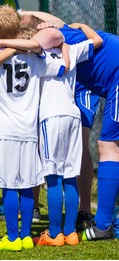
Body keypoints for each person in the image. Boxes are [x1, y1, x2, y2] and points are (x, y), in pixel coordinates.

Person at [0, 5, 67, 251]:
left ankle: (12, 238)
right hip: (28, 130)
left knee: (9, 185)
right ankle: (24, 236)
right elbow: (61, 67)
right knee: (25, 184)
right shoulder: (35, 56)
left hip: (2, 130)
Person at [20, 10, 119, 241]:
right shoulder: (66, 35)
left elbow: (43, 32)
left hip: (116, 77)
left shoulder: (51, 39)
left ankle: (103, 224)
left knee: (108, 146)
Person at [33, 23, 103, 246]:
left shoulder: (37, 56)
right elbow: (97, 41)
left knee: (53, 176)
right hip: (73, 115)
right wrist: (81, 26)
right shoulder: (71, 50)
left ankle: (54, 234)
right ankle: (71, 233)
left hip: (51, 116)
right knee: (70, 175)